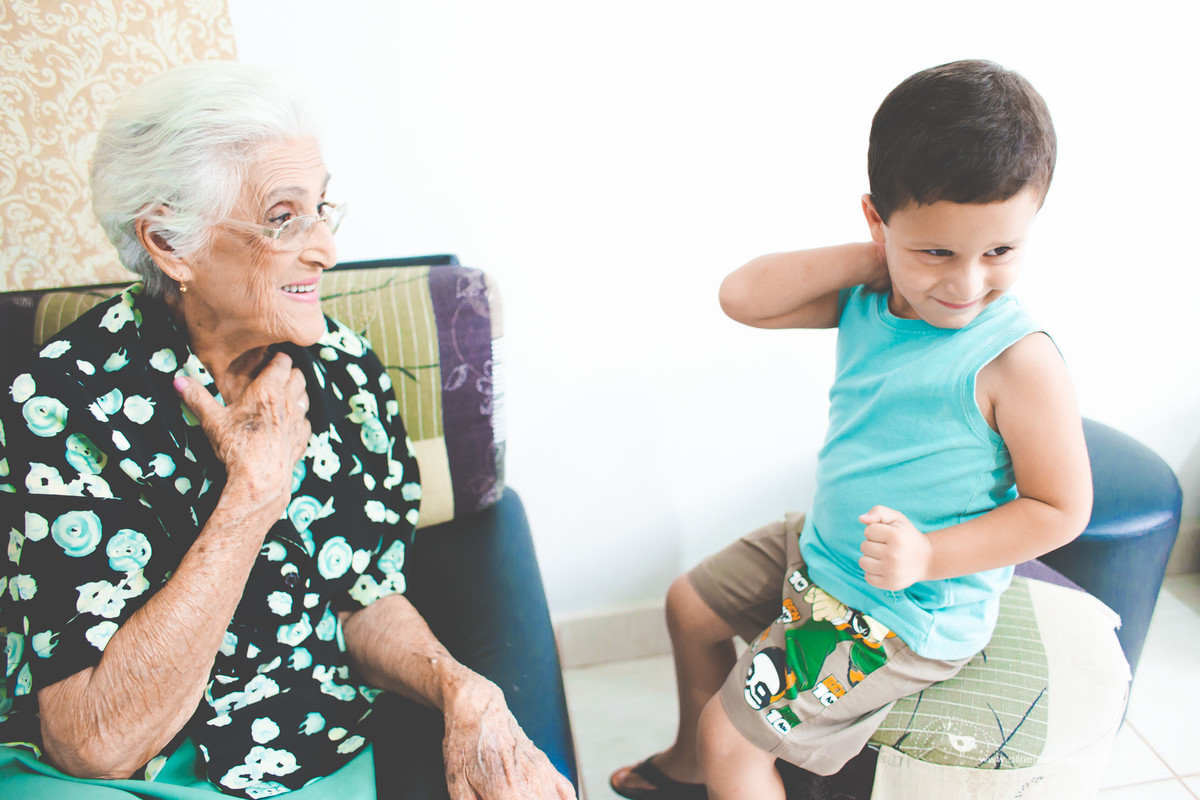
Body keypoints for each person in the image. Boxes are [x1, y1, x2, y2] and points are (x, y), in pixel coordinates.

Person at [0, 61, 575, 800]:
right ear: (172, 244)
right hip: (115, 775)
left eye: (321, 208)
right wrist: (253, 493)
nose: (326, 250)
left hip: (302, 746)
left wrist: (466, 691)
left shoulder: (344, 369)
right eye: (283, 217)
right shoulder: (61, 402)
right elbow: (95, 742)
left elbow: (360, 597)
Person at [610, 59, 1093, 800]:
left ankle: (716, 766)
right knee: (688, 606)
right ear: (878, 221)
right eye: (936, 250)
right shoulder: (875, 297)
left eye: (1000, 251)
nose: (965, 285)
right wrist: (879, 262)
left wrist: (929, 555)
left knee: (731, 739)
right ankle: (686, 770)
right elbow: (740, 297)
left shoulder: (1016, 362)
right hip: (831, 546)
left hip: (904, 607)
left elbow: (1061, 509)